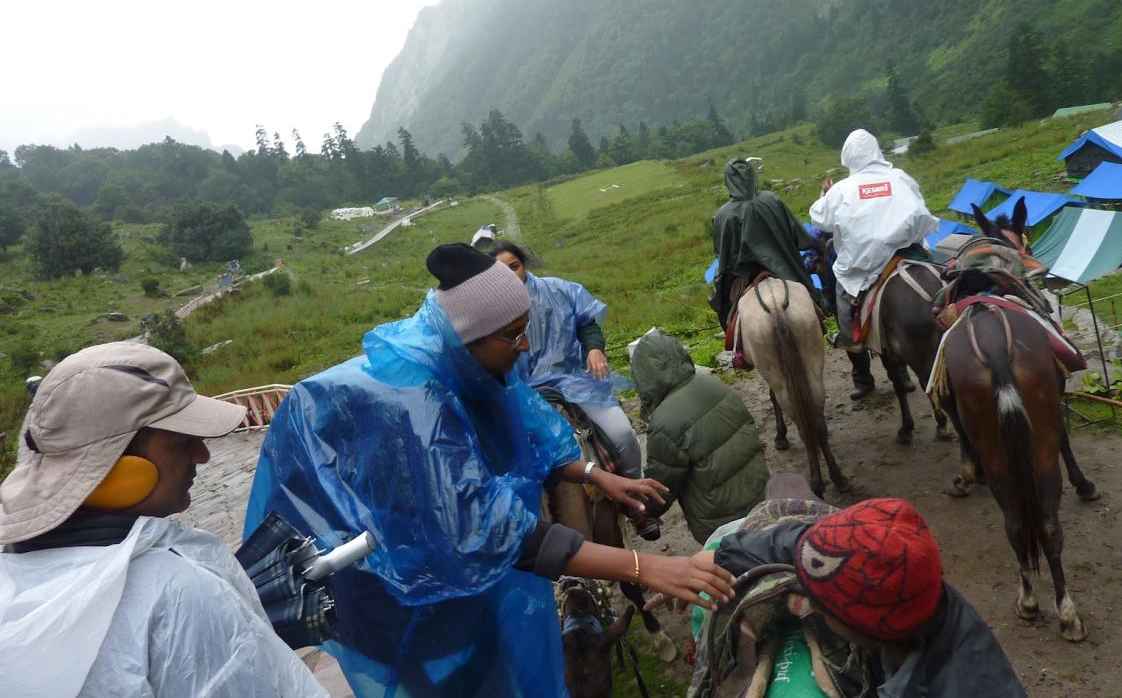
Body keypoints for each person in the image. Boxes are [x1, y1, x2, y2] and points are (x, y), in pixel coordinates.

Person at [244, 243, 736, 696]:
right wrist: (644, 566)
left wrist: (594, 474)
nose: (525, 346)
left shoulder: (467, 366)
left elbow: (526, 429)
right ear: (467, 338)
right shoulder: (420, 407)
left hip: (455, 561)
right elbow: (495, 533)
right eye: (513, 335)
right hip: (401, 586)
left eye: (526, 328)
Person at [0, 341, 326, 698]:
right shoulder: (174, 591)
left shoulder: (12, 581)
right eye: (181, 443)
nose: (202, 455)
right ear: (116, 467)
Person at [704, 496, 1026, 696]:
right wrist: (721, 556)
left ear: (867, 631)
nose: (812, 604)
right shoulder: (908, 591)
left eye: (821, 605)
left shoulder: (972, 687)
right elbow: (804, 545)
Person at [490, 241, 643, 483]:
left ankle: (636, 490)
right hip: (524, 394)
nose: (510, 274)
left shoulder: (559, 290)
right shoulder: (490, 311)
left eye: (514, 266)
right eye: (501, 271)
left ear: (524, 265)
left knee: (622, 433)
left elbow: (587, 324)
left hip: (574, 378)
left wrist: (594, 350)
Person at [809, 129, 938, 396]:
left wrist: (826, 196)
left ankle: (855, 352)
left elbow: (819, 220)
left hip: (865, 266)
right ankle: (902, 374)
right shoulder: (900, 177)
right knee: (939, 275)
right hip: (910, 253)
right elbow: (921, 209)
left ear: (849, 158)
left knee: (843, 300)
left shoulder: (842, 189)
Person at [629, 329, 768, 544]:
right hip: (760, 495)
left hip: (721, 519)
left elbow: (663, 487)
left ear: (643, 375)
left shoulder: (664, 423)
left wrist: (645, 510)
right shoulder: (716, 385)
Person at [710, 157, 822, 332]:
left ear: (728, 181)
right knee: (810, 295)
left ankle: (734, 346)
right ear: (752, 176)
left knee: (725, 310)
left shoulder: (722, 216)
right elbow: (800, 237)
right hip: (783, 268)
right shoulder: (772, 200)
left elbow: (721, 255)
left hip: (744, 275)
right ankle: (822, 312)